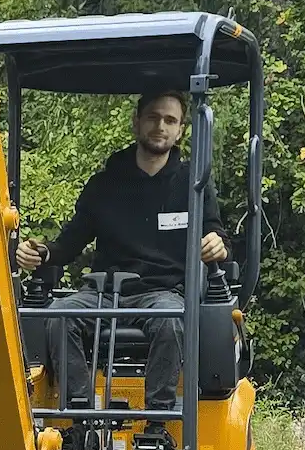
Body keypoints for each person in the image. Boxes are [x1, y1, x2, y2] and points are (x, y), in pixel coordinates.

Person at [16, 89, 228, 431]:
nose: (161, 126)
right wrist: (40, 252)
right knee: (58, 317)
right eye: (153, 117)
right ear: (137, 122)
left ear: (181, 130)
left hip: (161, 293)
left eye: (170, 120)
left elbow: (216, 233)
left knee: (171, 320)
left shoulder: (193, 185)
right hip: (105, 291)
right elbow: (68, 244)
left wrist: (217, 244)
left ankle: (158, 424)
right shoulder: (104, 185)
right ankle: (83, 416)